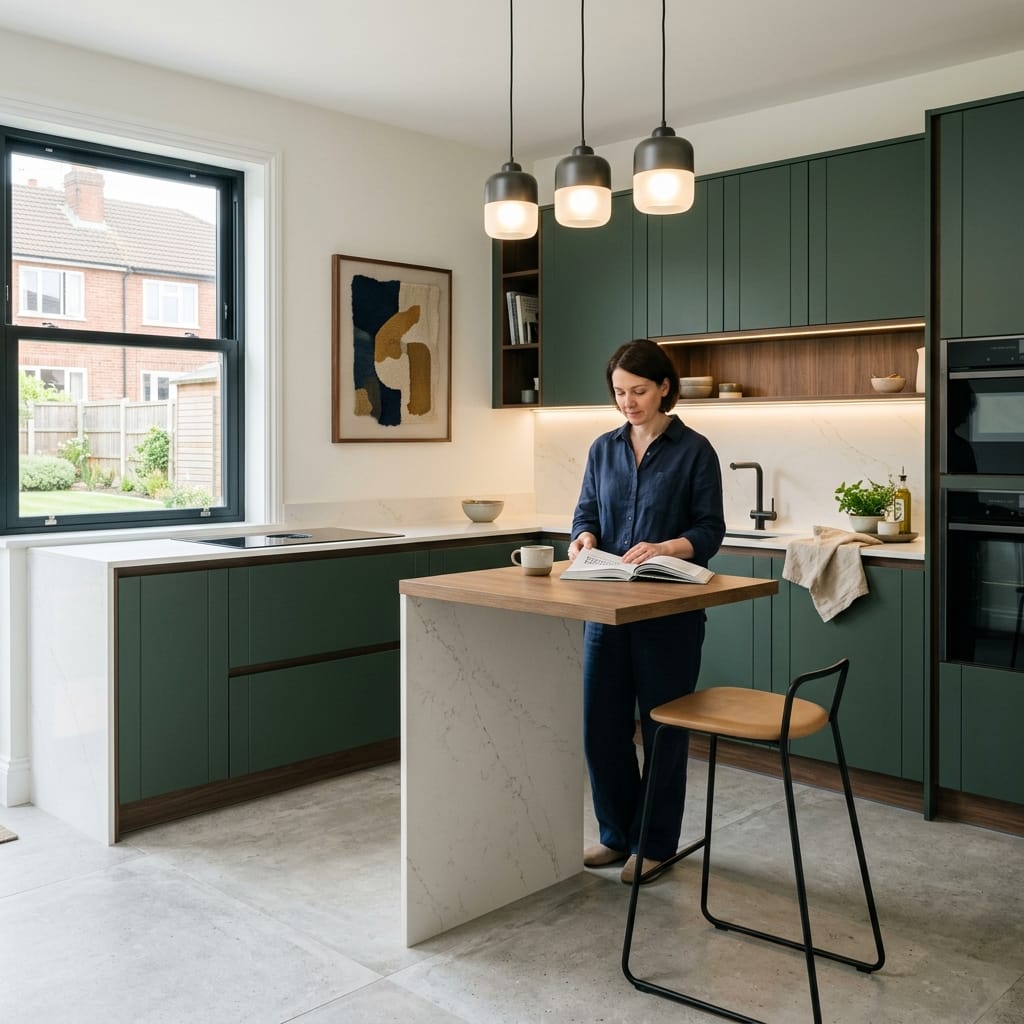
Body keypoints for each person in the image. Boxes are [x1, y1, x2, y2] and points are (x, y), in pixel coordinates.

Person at [568, 338, 725, 885]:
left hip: (668, 616)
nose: (628, 402)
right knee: (600, 728)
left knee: (662, 728)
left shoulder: (695, 450)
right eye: (619, 392)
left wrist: (665, 548)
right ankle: (616, 835)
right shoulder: (602, 449)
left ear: (664, 388)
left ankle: (654, 845)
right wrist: (583, 537)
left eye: (638, 391)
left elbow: (710, 529)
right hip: (606, 608)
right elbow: (585, 513)